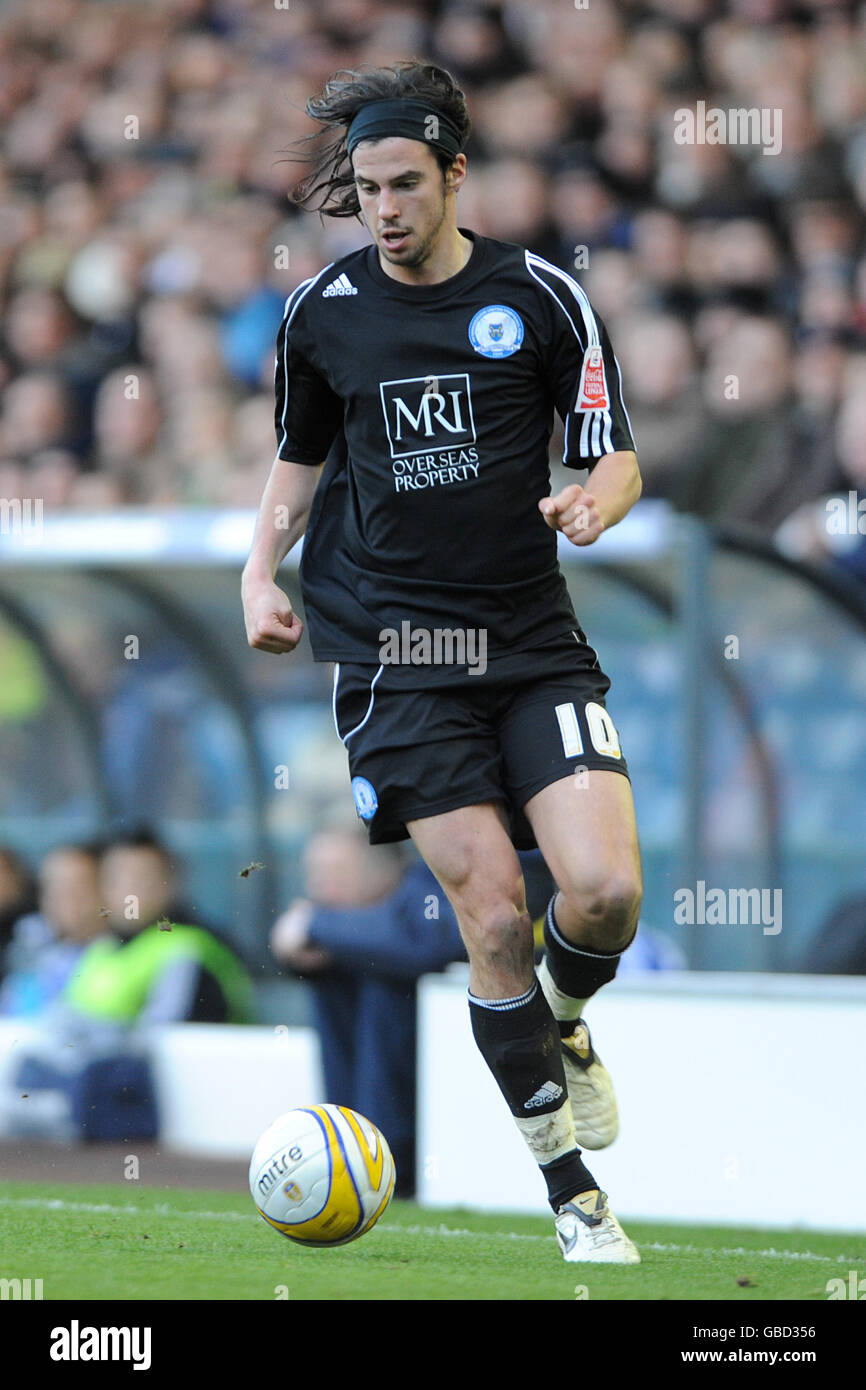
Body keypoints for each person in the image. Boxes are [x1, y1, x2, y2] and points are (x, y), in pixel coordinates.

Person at [242, 61, 643, 1264]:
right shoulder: (321, 314)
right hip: (396, 652)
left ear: (455, 175)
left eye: (405, 183)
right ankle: (574, 1197)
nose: (383, 207)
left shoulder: (542, 296)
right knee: (487, 914)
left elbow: (616, 454)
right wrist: (257, 573)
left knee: (603, 894)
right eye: (365, 188)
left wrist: (593, 505)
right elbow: (296, 467)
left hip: (527, 639)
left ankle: (563, 1022)